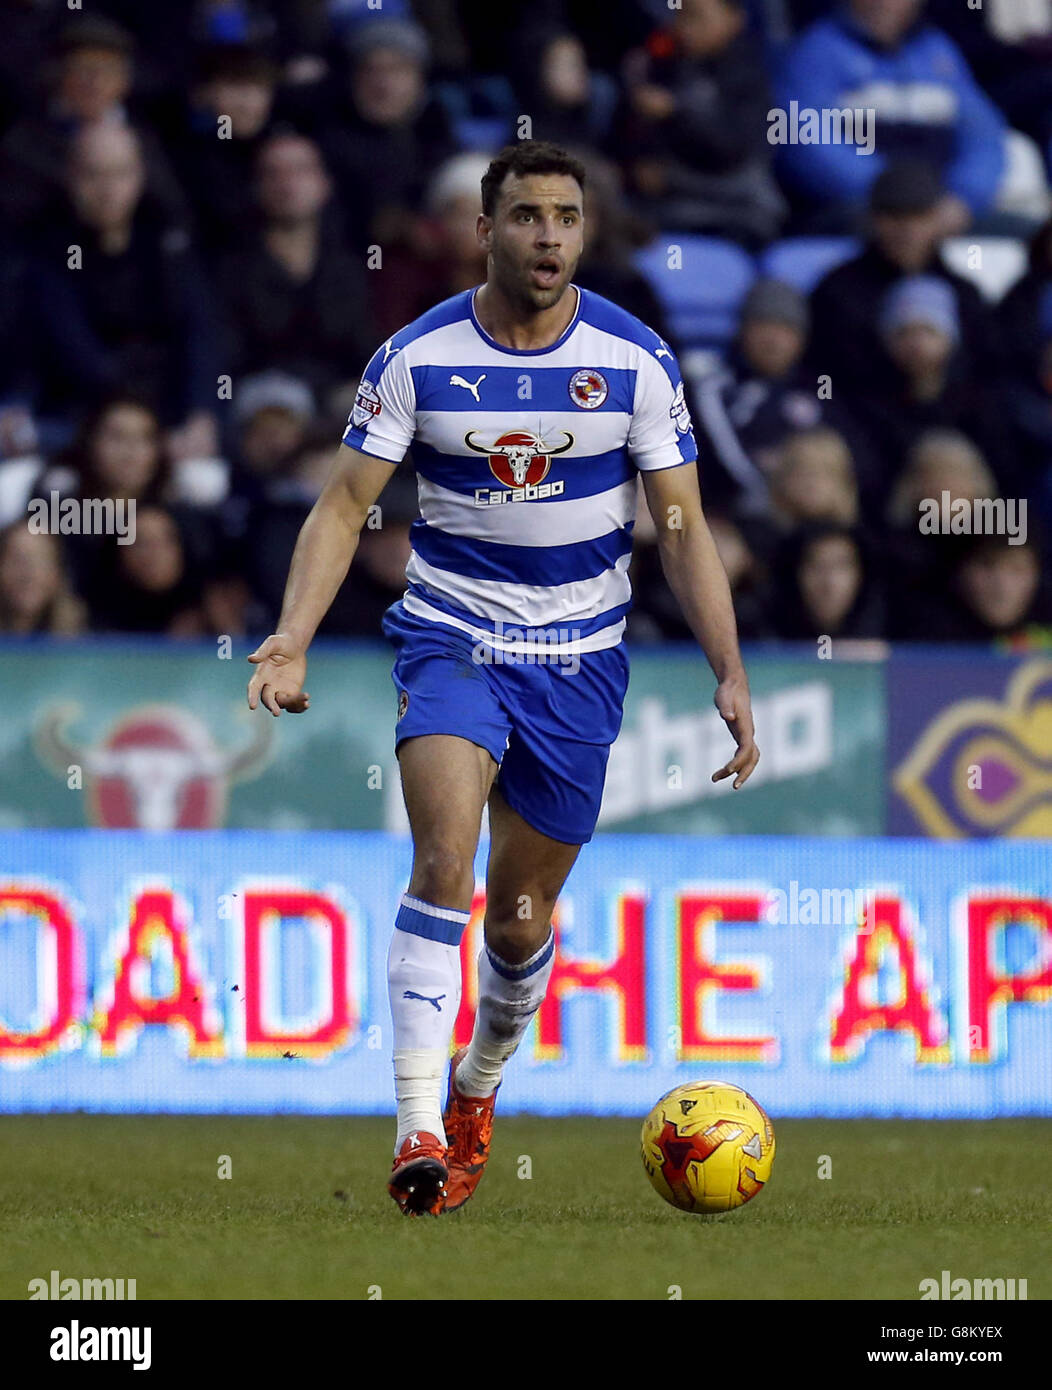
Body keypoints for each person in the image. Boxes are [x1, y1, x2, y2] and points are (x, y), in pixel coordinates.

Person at [246, 140, 759, 1217]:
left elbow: (680, 526)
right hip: (452, 639)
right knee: (443, 857)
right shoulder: (416, 357)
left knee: (519, 921)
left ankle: (476, 1087)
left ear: (584, 230)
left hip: (578, 663)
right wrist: (290, 635)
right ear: (485, 230)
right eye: (524, 215)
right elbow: (342, 507)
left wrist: (728, 669)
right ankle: (415, 1125)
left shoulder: (635, 360)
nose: (546, 236)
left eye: (564, 217)